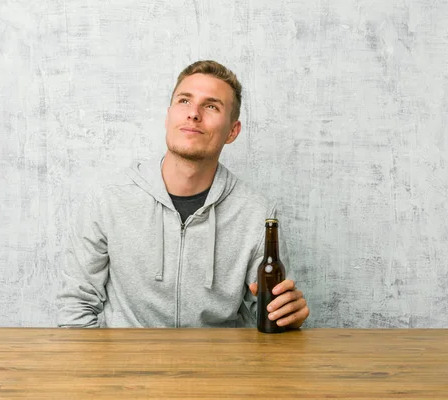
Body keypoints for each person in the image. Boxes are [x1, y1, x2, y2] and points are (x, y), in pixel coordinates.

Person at [57, 60, 310, 329]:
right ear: (169, 116)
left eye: (211, 106)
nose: (194, 114)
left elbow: (270, 319)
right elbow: (76, 307)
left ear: (232, 132)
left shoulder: (257, 214)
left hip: (220, 368)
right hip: (127, 367)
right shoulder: (107, 200)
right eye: (184, 101)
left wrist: (287, 320)